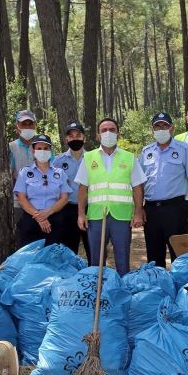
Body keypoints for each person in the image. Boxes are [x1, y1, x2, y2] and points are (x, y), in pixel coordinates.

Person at [75, 118, 146, 276]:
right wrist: (81, 213)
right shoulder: (88, 158)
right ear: (98, 135)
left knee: (122, 258)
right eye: (104, 130)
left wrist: (138, 212)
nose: (108, 133)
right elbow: (82, 189)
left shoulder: (129, 158)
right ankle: (97, 291)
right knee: (96, 259)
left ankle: (122, 291)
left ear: (118, 133)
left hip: (121, 216)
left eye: (112, 129)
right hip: (96, 216)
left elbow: (137, 187)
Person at [140, 112, 188, 268]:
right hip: (151, 210)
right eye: (157, 126)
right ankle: (158, 287)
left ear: (172, 128)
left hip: (176, 209)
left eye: (165, 125)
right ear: (152, 129)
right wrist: (139, 208)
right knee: (154, 255)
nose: (161, 129)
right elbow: (139, 183)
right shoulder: (146, 152)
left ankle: (181, 288)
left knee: (178, 253)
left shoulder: (184, 149)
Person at [14, 134, 72, 248]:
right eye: (39, 148)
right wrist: (39, 217)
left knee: (53, 256)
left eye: (46, 148)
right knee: (30, 257)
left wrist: (48, 212)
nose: (43, 151)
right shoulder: (25, 172)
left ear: (50, 151)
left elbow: (64, 198)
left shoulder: (59, 173)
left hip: (54, 220)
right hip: (31, 219)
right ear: (33, 151)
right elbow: (21, 198)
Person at [53, 121, 91, 262]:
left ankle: (94, 279)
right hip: (66, 210)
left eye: (78, 135)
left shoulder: (93, 159)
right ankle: (70, 281)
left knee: (92, 248)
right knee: (69, 251)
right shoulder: (57, 161)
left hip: (89, 210)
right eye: (71, 136)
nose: (75, 139)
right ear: (66, 139)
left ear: (84, 138)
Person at [9, 110, 38, 227]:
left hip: (41, 203)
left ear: (35, 125)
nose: (27, 127)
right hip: (18, 204)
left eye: (30, 124)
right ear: (17, 126)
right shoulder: (11, 147)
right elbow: (10, 175)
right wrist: (22, 196)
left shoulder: (43, 146)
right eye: (23, 124)